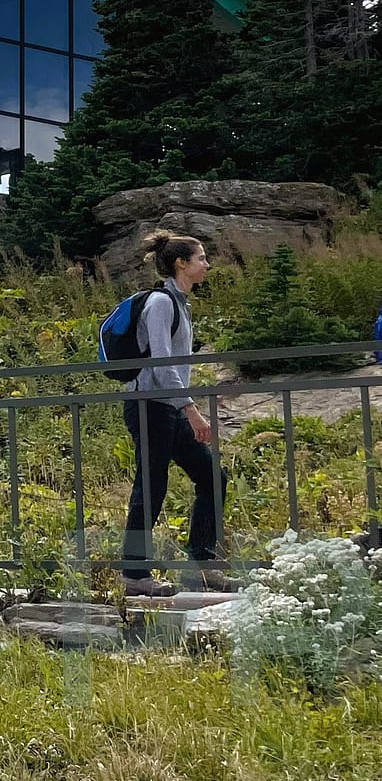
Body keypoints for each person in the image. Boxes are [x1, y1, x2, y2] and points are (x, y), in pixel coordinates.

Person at [120, 230, 230, 597]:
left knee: (212, 475)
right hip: (150, 405)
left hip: (167, 406)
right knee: (151, 486)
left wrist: (182, 408)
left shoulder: (180, 303)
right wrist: (192, 411)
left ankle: (200, 564)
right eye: (201, 258)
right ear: (182, 264)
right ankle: (135, 576)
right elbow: (163, 364)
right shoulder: (162, 303)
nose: (207, 264)